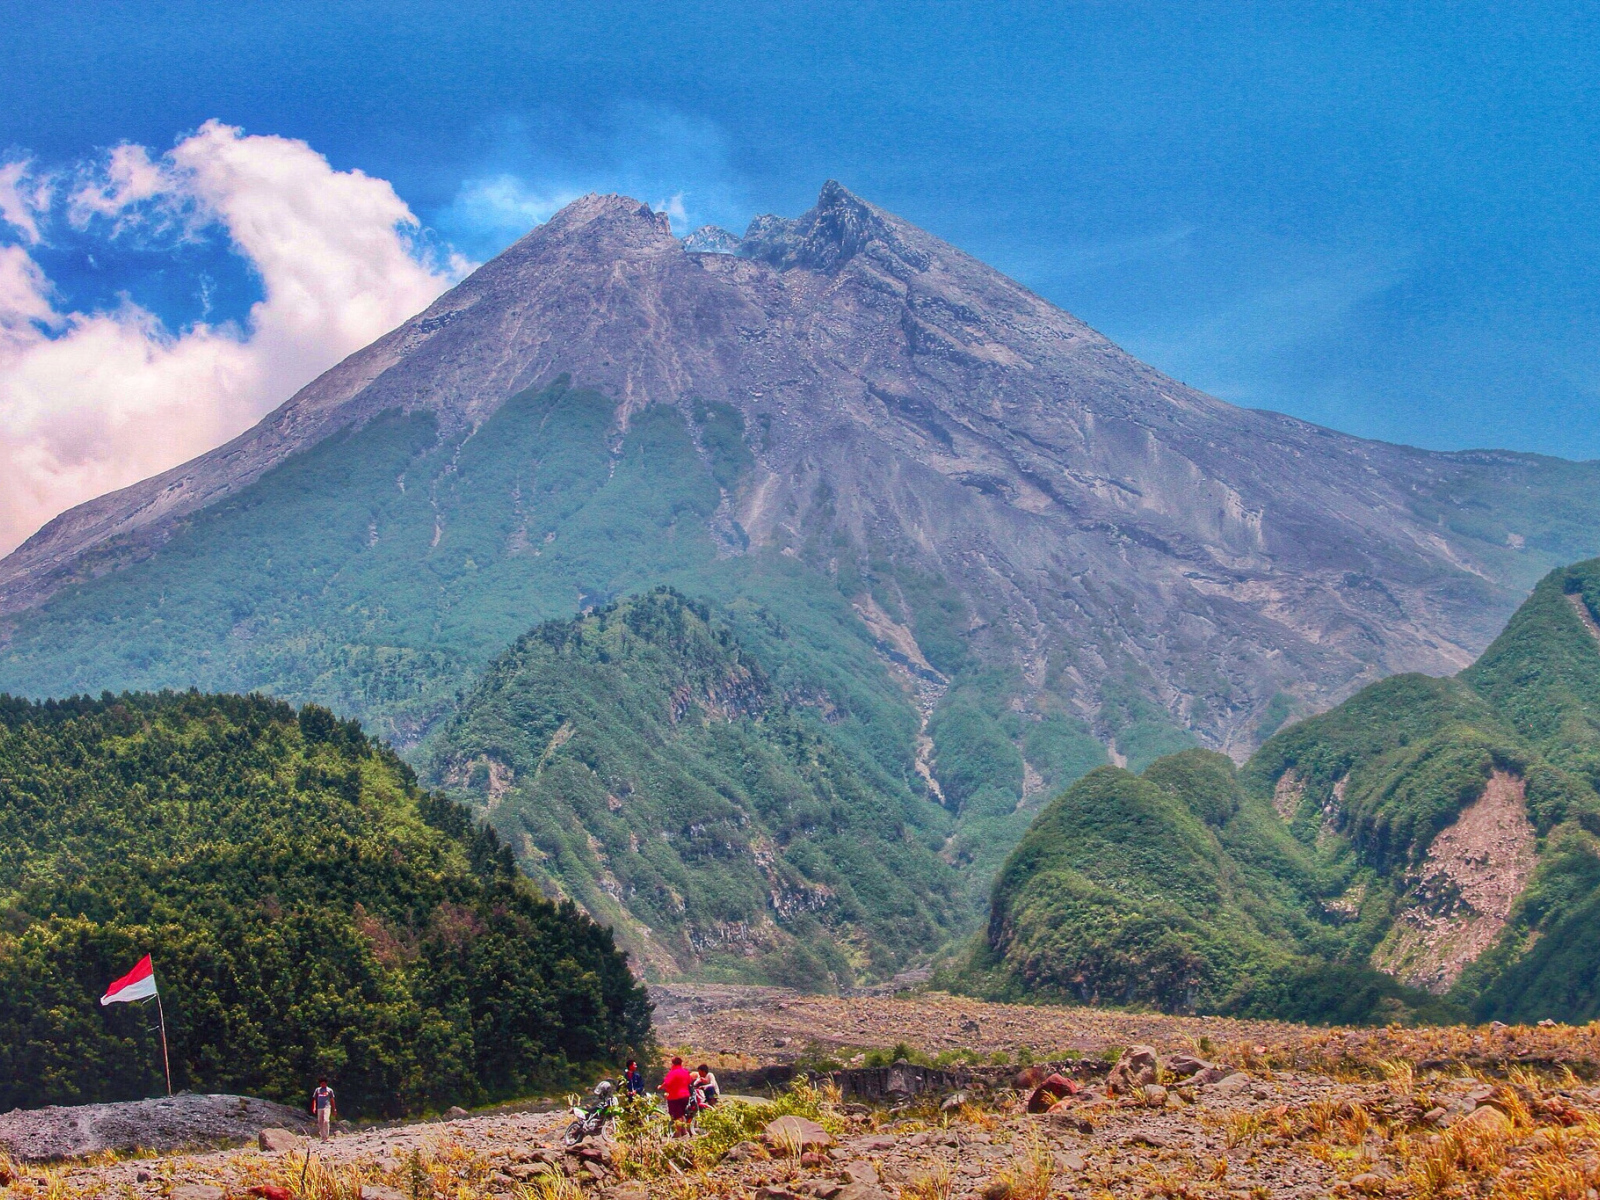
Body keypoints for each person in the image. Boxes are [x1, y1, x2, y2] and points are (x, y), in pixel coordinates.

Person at [658, 1055, 693, 1136]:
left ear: (673, 1064)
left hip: (675, 1097)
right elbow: (689, 1081)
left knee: (676, 1115)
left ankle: (678, 1133)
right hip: (685, 1096)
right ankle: (684, 1132)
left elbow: (667, 1083)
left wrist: (661, 1087)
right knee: (681, 1114)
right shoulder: (685, 1072)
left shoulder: (672, 1073)